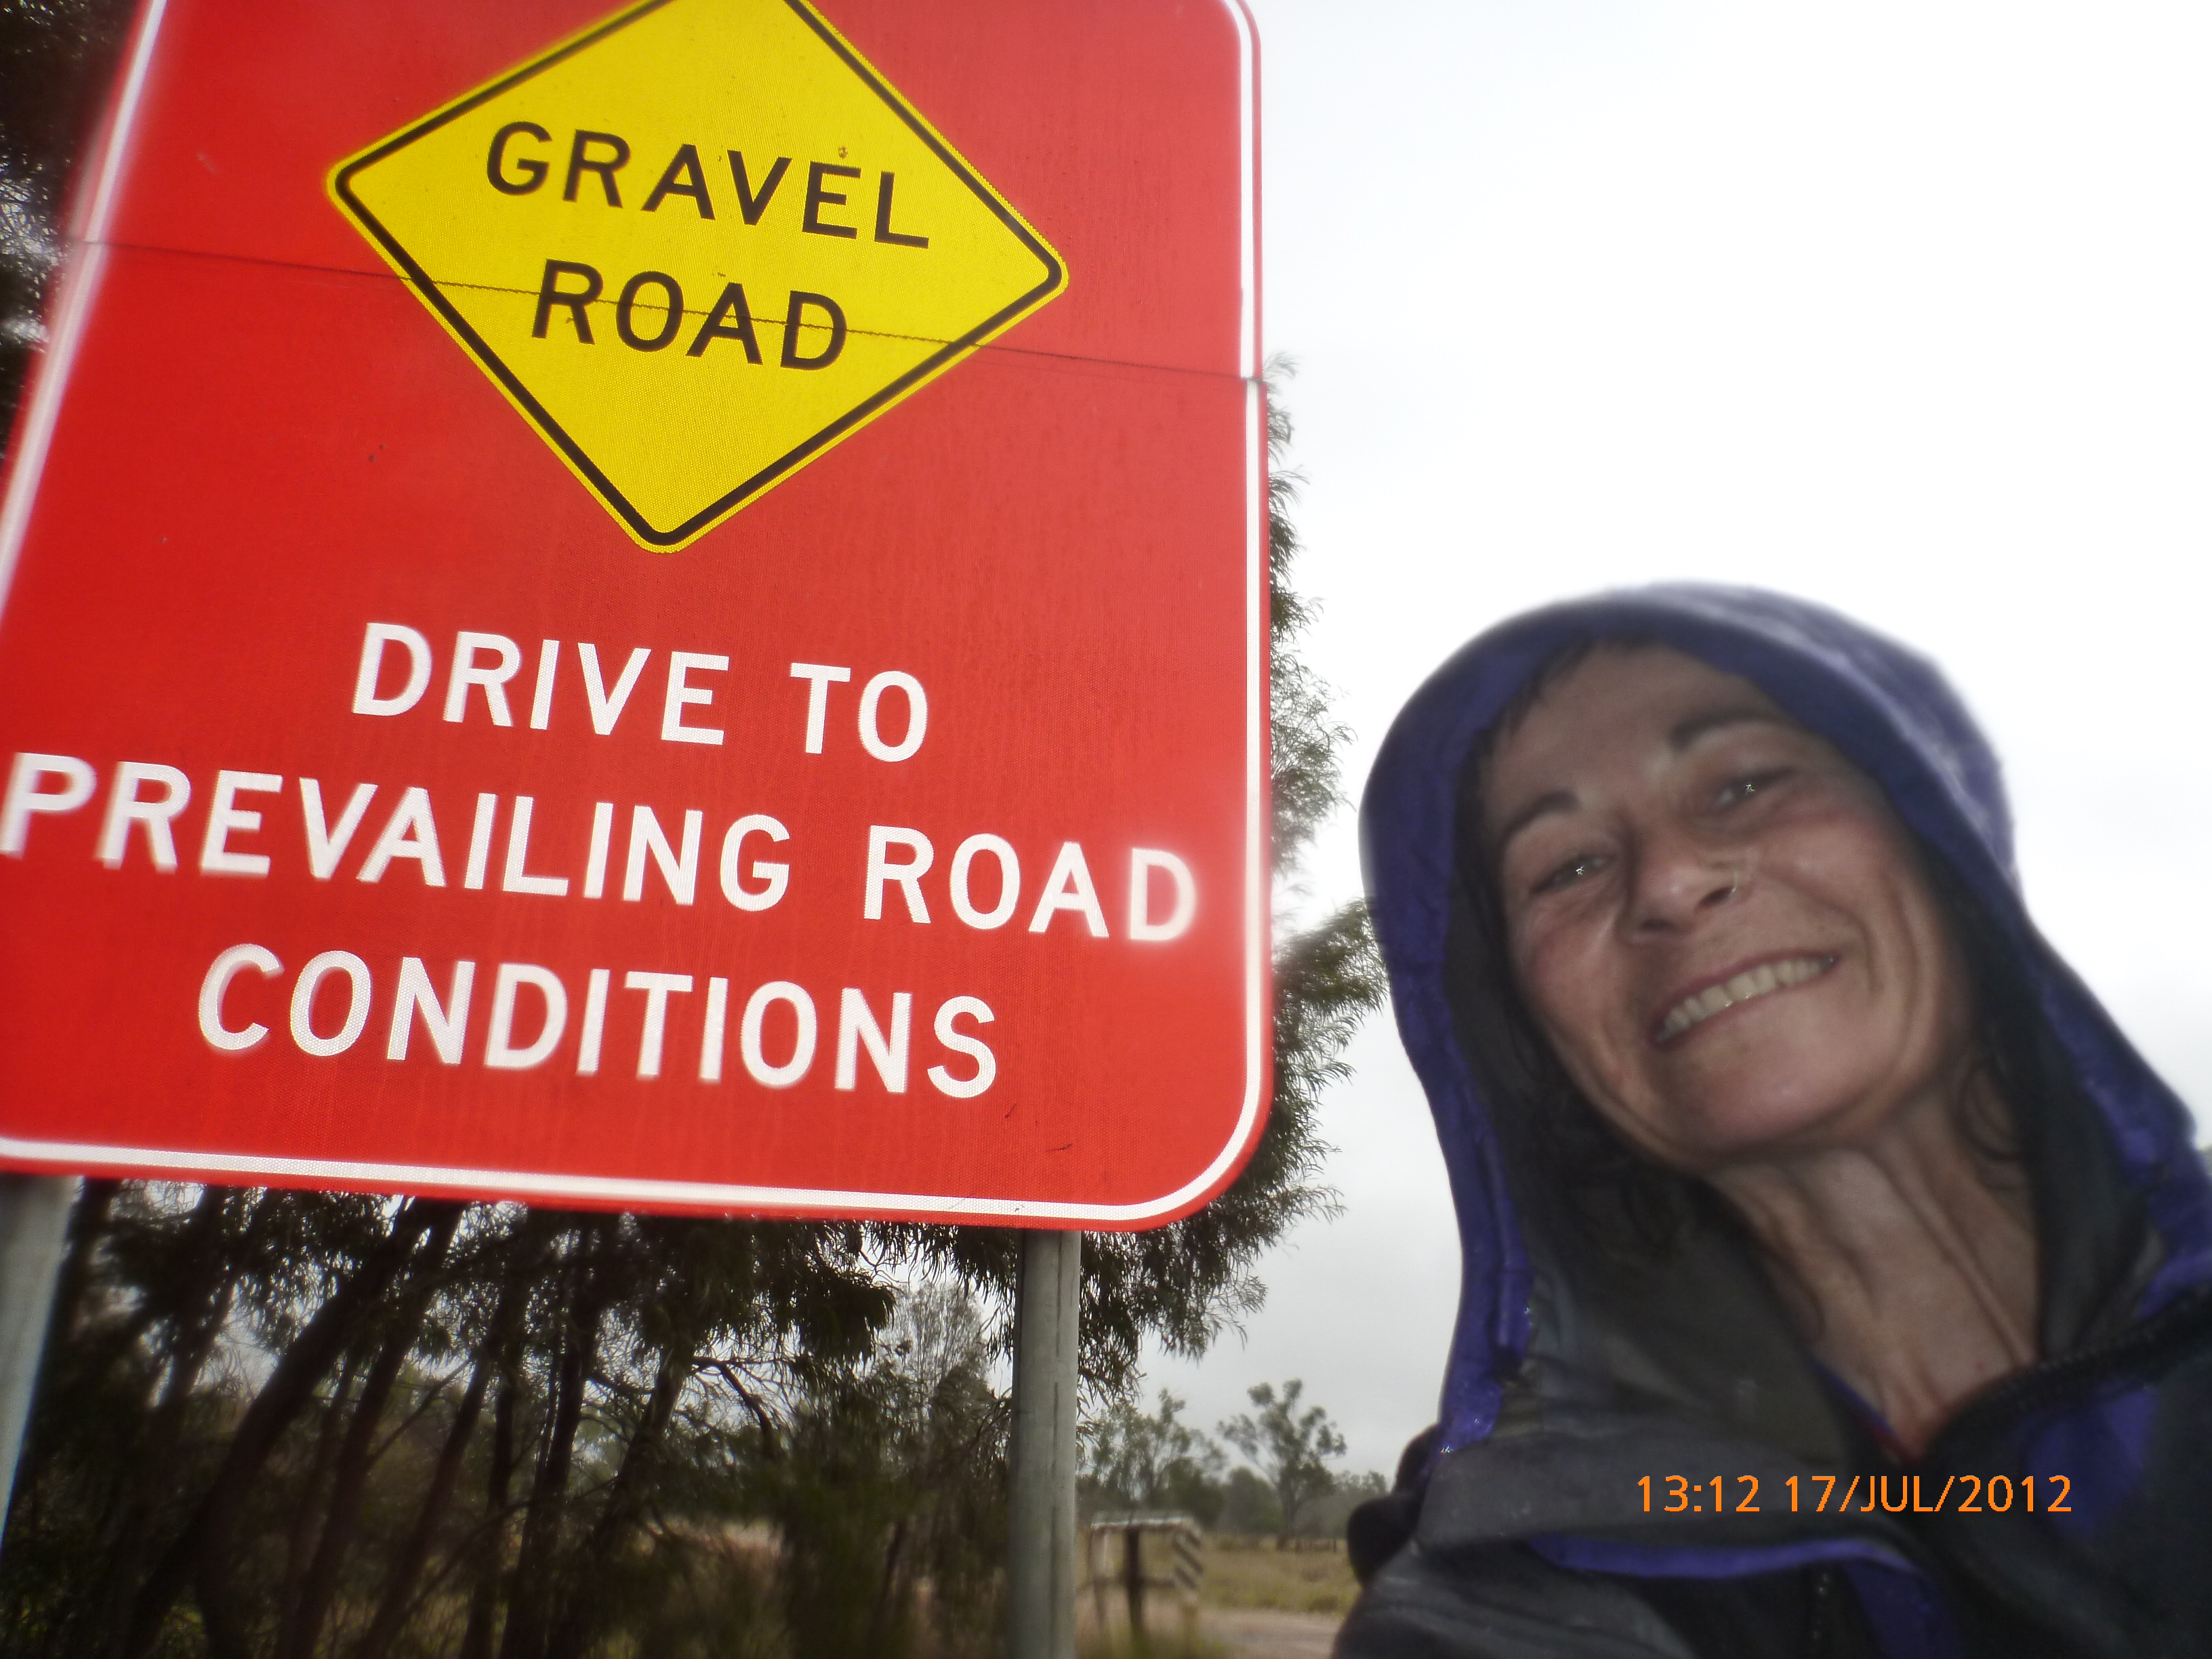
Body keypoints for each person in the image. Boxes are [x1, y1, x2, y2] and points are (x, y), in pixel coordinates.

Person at [1337, 587, 2212, 1658]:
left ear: (1939, 845)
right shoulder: (1510, 1600)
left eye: (1744, 784)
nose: (1670, 882)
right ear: (1530, 1036)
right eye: (1568, 866)